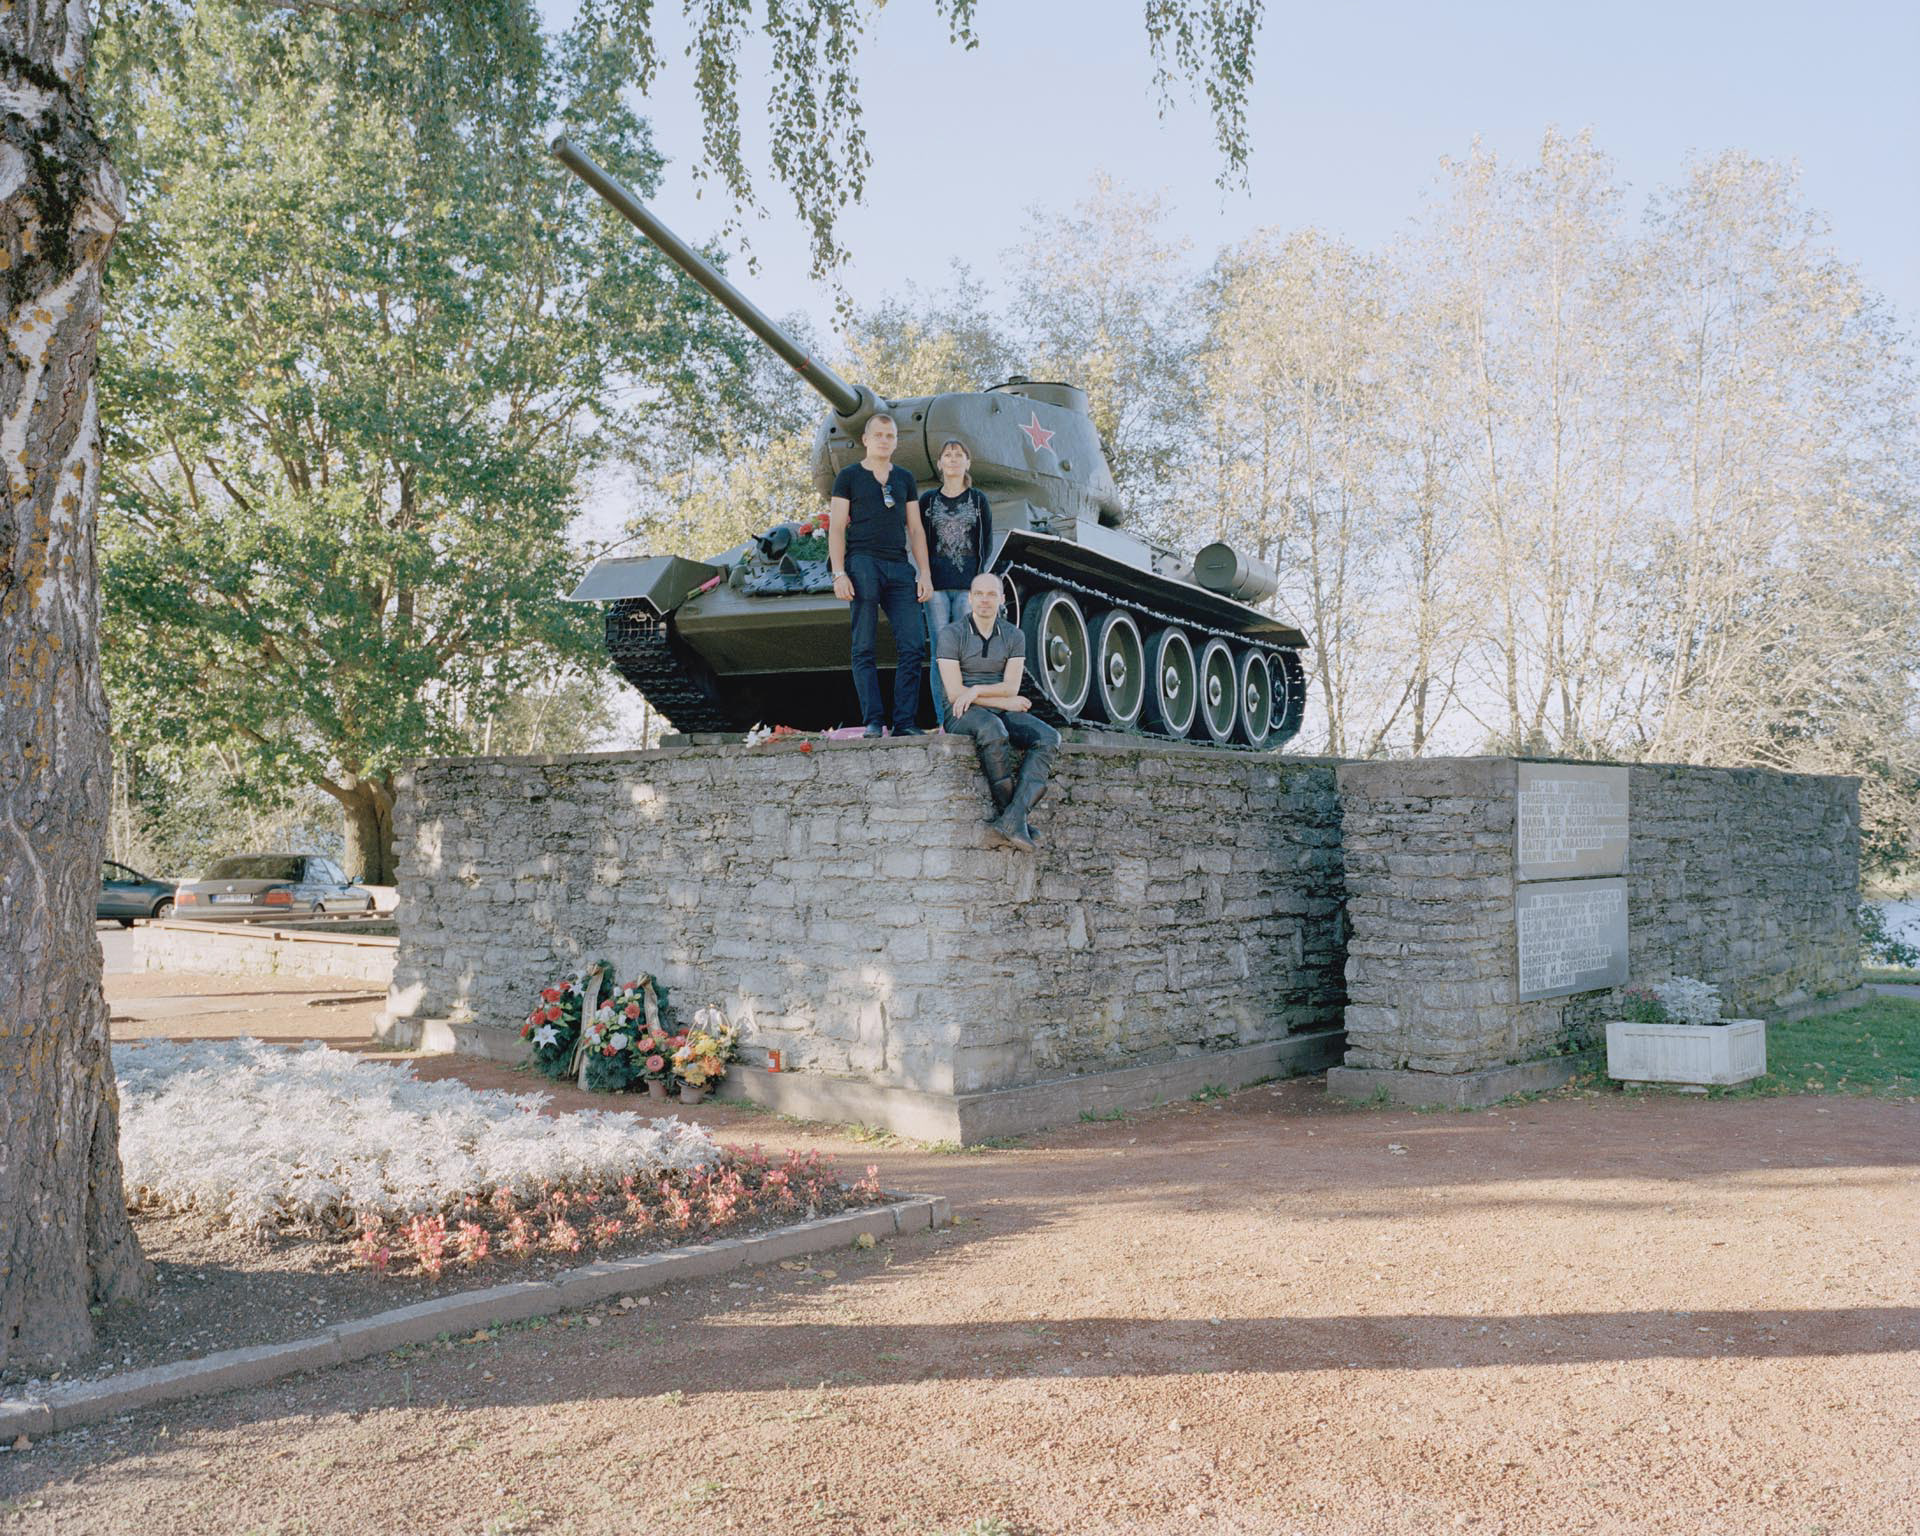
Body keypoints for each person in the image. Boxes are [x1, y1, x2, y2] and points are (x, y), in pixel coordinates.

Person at [828, 413, 934, 737]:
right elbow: (835, 528)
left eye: (890, 436)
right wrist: (838, 573)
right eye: (879, 435)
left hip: (899, 566)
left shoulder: (904, 478)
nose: (885, 440)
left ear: (896, 441)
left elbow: (914, 529)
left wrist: (924, 573)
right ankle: (874, 720)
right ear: (866, 439)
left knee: (914, 643)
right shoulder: (848, 476)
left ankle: (904, 722)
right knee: (864, 645)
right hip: (862, 563)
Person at [936, 572, 1058, 851]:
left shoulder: (1014, 635)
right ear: (970, 598)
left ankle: (1012, 818)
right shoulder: (951, 635)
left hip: (988, 703)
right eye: (978, 594)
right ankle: (1014, 820)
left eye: (991, 594)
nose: (984, 600)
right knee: (993, 729)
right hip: (961, 714)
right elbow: (956, 695)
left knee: (1049, 737)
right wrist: (1002, 701)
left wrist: (977, 691)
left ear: (1002, 599)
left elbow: (1011, 686)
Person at [917, 438, 993, 726]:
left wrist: (980, 582)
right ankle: (944, 719)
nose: (952, 459)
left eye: (958, 455)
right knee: (941, 654)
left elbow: (985, 542)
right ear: (939, 463)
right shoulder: (928, 501)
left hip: (966, 586)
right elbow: (920, 541)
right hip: (935, 587)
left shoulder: (977, 499)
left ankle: (967, 715)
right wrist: (923, 577)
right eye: (947, 455)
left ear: (967, 463)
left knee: (966, 652)